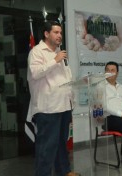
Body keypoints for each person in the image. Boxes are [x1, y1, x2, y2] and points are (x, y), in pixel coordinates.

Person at [27, 21, 79, 176]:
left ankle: (64, 171)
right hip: (47, 108)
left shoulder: (60, 53)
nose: (59, 36)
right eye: (56, 32)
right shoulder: (37, 52)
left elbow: (67, 78)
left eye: (60, 33)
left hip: (64, 105)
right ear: (46, 33)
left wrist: (72, 99)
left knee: (62, 143)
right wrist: (55, 60)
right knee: (47, 146)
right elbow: (36, 73)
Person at [102, 61, 122, 135]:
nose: (109, 72)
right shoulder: (100, 87)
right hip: (110, 118)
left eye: (112, 70)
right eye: (107, 70)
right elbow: (105, 106)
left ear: (117, 73)